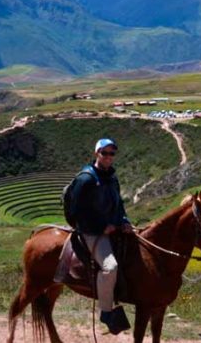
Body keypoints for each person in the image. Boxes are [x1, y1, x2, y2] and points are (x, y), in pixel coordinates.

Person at [68, 138, 133, 334]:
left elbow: (118, 204)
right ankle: (106, 311)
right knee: (110, 266)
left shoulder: (112, 178)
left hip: (114, 227)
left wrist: (124, 220)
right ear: (97, 154)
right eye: (104, 153)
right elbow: (76, 211)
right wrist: (100, 228)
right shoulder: (86, 179)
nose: (108, 157)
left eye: (111, 153)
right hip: (93, 231)